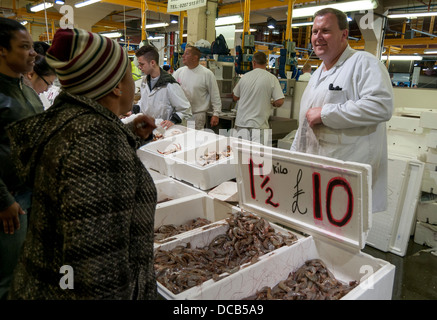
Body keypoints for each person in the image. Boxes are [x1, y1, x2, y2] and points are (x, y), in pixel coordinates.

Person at [6, 28, 158, 299]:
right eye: (127, 73)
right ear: (115, 85)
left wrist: (128, 135)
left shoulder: (68, 118)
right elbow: (100, 270)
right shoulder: (97, 142)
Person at [291, 8, 393, 213]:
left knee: (341, 241)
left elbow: (381, 106)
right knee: (316, 237)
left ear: (344, 34)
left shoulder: (364, 63)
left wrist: (326, 114)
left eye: (325, 31)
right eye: (314, 31)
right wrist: (293, 159)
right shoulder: (317, 73)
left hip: (347, 178)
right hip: (317, 174)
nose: (318, 37)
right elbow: (306, 123)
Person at [0, 17, 42, 300]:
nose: (33, 53)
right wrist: (3, 200)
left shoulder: (24, 87)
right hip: (10, 204)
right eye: (24, 47)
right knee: (8, 277)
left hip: (30, 195)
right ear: (2, 50)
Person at [232, 51, 285, 145]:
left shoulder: (244, 77)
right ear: (266, 63)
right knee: (258, 157)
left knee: (240, 156)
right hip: (259, 126)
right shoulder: (272, 78)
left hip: (242, 124)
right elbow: (280, 101)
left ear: (254, 62)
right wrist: (273, 103)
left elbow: (235, 97)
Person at [136, 44, 192, 129]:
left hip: (164, 131)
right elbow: (144, 102)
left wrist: (173, 121)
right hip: (148, 129)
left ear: (152, 63)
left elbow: (185, 109)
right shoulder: (144, 81)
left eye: (142, 64)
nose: (139, 67)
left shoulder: (170, 84)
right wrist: (135, 108)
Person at [173, 45, 221, 130]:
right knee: (180, 138)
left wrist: (216, 114)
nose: (183, 56)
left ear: (195, 58)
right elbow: (171, 91)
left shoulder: (206, 74)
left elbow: (215, 95)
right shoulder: (179, 72)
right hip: (181, 114)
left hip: (196, 115)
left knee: (193, 140)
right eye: (183, 53)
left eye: (186, 54)